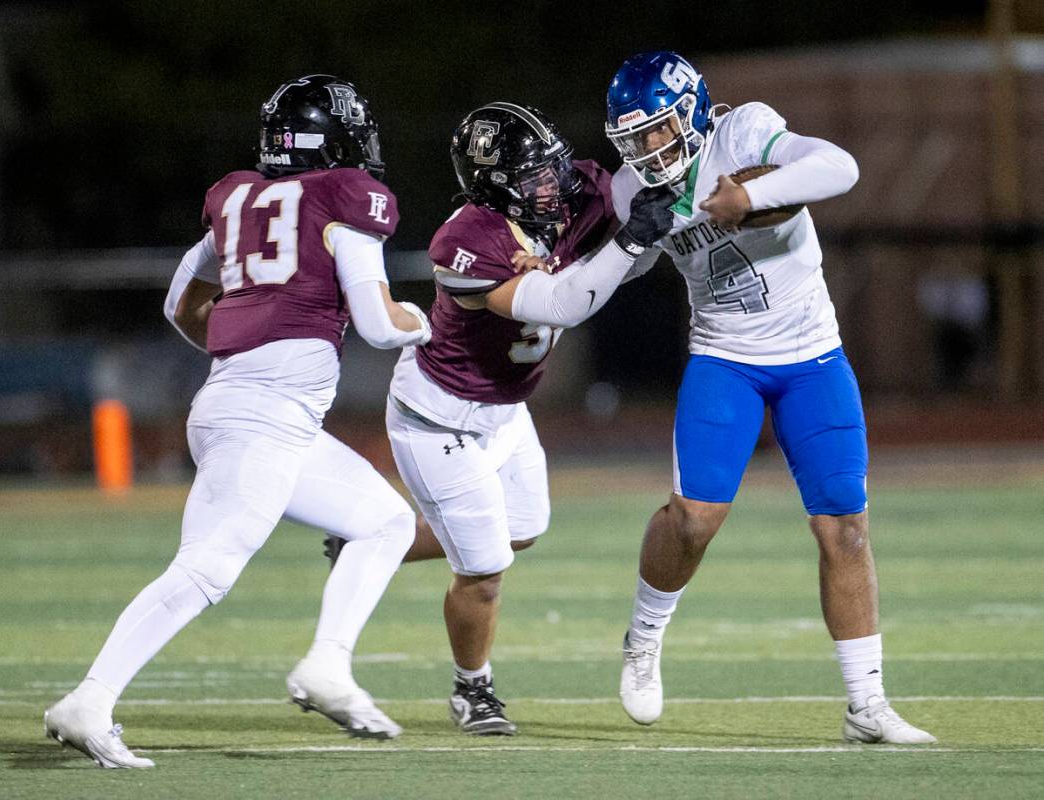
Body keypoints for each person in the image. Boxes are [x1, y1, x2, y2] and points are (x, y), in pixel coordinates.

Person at [43, 74, 432, 768]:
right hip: (264, 415)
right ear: (333, 140)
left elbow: (178, 305)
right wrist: (418, 322)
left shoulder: (239, 197)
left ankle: (327, 666)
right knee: (207, 569)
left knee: (384, 520)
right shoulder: (348, 198)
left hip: (246, 404)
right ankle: (89, 700)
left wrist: (243, 350)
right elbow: (377, 325)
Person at [604, 51, 936, 745]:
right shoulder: (628, 186)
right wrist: (614, 245)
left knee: (843, 527)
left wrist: (746, 198)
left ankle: (865, 705)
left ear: (691, 112)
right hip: (724, 358)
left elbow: (838, 167)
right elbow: (621, 271)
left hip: (812, 357)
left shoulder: (743, 132)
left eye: (656, 131)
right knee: (692, 520)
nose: (644, 150)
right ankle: (641, 639)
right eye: (631, 139)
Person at [384, 102, 674, 735]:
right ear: (493, 187)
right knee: (485, 570)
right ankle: (472, 689)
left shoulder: (571, 194)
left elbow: (647, 181)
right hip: (440, 416)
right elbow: (561, 305)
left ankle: (372, 538)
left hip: (506, 409)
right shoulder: (467, 241)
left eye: (554, 166)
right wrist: (628, 242)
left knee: (522, 528)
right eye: (535, 175)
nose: (556, 183)